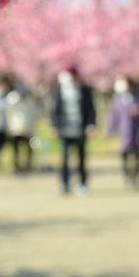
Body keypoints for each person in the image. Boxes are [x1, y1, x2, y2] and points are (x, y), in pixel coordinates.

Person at [51, 64, 96, 194]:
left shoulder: (84, 90)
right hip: (65, 129)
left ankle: (82, 183)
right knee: (64, 157)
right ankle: (65, 183)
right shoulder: (59, 90)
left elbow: (90, 109)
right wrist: (54, 125)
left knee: (81, 157)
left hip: (80, 128)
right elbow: (55, 110)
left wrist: (91, 124)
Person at [106, 77, 139, 188]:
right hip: (123, 131)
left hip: (137, 130)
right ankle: (126, 175)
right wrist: (109, 130)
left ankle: (136, 177)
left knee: (137, 155)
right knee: (124, 154)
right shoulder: (117, 99)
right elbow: (113, 116)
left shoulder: (138, 96)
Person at [5, 86, 38, 173]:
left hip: (27, 129)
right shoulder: (14, 101)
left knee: (29, 148)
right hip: (16, 129)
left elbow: (34, 115)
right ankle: (16, 165)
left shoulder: (30, 103)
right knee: (16, 149)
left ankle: (28, 165)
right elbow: (9, 113)